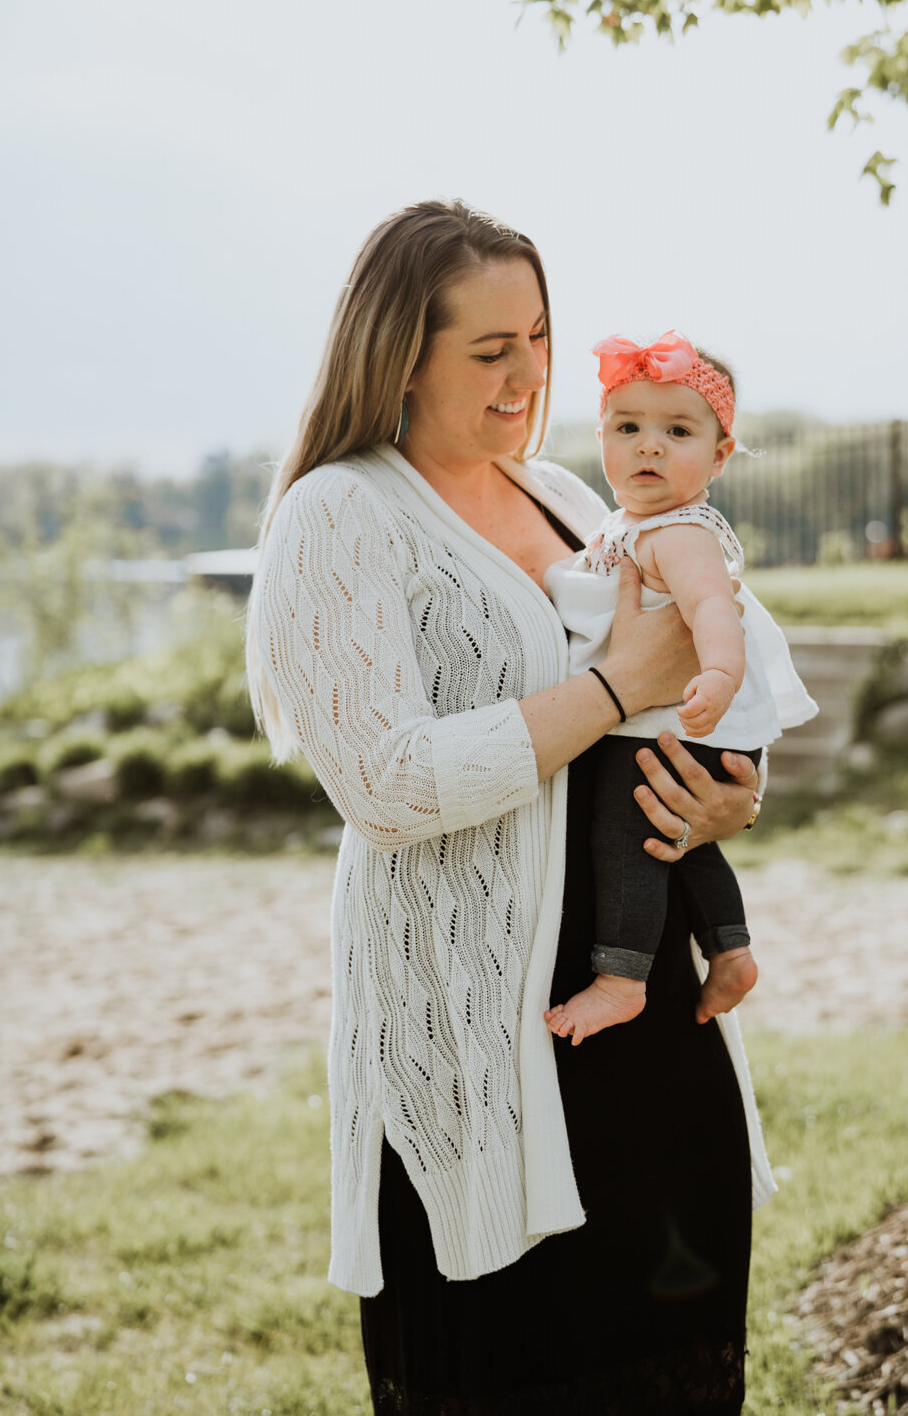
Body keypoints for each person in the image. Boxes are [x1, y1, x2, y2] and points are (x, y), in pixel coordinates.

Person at [246, 200, 775, 1415]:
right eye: (490, 347)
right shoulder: (338, 514)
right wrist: (604, 688)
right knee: (510, 1370)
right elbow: (383, 782)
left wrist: (723, 795)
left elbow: (693, 669)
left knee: (675, 1371)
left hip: (648, 1000)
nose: (527, 372)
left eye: (538, 335)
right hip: (482, 1038)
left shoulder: (569, 498)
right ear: (397, 350)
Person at [544, 331, 818, 1045]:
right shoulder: (628, 525)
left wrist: (720, 675)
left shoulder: (679, 534)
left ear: (720, 455)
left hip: (691, 719)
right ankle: (728, 949)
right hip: (692, 727)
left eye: (676, 430)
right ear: (599, 435)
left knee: (623, 826)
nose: (648, 447)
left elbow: (710, 609)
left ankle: (621, 979)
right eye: (626, 428)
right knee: (678, 839)